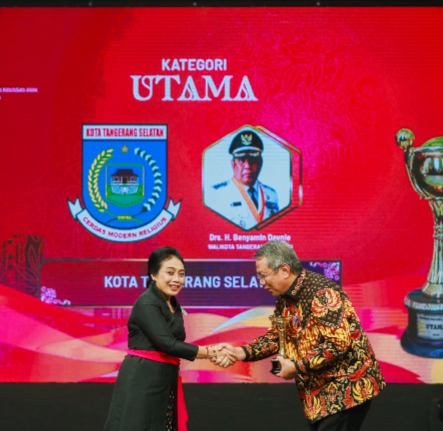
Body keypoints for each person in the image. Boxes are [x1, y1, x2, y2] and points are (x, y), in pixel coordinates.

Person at [214, 241, 385, 431]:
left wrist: (296, 367)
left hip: (345, 389)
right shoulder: (285, 297)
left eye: (263, 275)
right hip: (319, 395)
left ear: (284, 270)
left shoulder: (322, 293)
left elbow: (337, 343)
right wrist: (241, 352)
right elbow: (276, 337)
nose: (261, 283)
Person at [103, 246, 233, 431]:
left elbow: (177, 343)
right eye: (170, 273)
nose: (177, 279)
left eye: (181, 274)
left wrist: (212, 352)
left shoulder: (173, 304)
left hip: (165, 377)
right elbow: (168, 344)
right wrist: (212, 352)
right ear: (154, 275)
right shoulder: (147, 302)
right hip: (143, 378)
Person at [204, 129, 279, 230]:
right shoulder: (217, 194)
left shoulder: (271, 194)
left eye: (252, 160)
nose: (247, 166)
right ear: (233, 164)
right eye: (242, 160)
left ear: (260, 163)